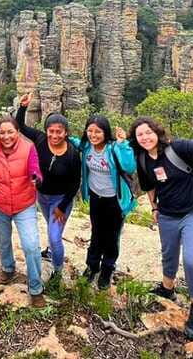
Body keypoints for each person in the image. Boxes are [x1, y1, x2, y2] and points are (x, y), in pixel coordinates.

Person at [129, 115, 193, 340]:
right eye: (140, 134)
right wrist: (154, 209)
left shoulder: (177, 148)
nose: (145, 137)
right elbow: (149, 186)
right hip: (167, 214)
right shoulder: (142, 159)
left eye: (148, 132)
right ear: (136, 139)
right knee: (169, 253)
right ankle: (167, 288)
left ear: (157, 132)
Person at [15, 93, 81, 283]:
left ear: (66, 132)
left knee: (54, 236)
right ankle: (52, 251)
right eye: (51, 131)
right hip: (42, 197)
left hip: (61, 200)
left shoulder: (72, 154)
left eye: (59, 132)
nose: (54, 135)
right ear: (46, 130)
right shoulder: (40, 139)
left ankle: (58, 271)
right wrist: (23, 107)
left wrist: (62, 206)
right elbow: (21, 126)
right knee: (53, 232)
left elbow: (75, 183)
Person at [70, 115, 136, 290]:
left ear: (105, 132)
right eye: (90, 131)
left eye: (97, 131)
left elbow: (130, 167)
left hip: (115, 200)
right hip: (96, 198)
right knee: (96, 233)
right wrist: (62, 134)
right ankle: (92, 266)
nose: (93, 135)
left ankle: (107, 269)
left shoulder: (114, 148)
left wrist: (123, 144)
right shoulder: (86, 147)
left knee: (112, 237)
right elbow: (76, 142)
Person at [0, 117, 46, 306]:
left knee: (31, 245)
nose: (6, 136)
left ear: (17, 132)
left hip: (25, 204)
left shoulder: (28, 147)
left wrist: (35, 178)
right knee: (3, 242)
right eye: (2, 132)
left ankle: (36, 288)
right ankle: (8, 268)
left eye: (10, 132)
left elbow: (35, 169)